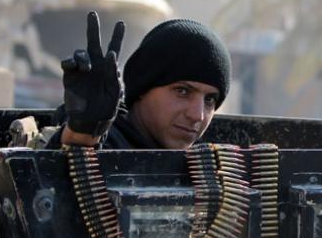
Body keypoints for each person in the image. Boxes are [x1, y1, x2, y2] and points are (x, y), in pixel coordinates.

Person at [50, 11, 231, 150]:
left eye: (209, 100)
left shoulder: (208, 162)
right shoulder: (109, 142)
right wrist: (84, 133)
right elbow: (62, 171)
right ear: (143, 89)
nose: (197, 115)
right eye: (182, 91)